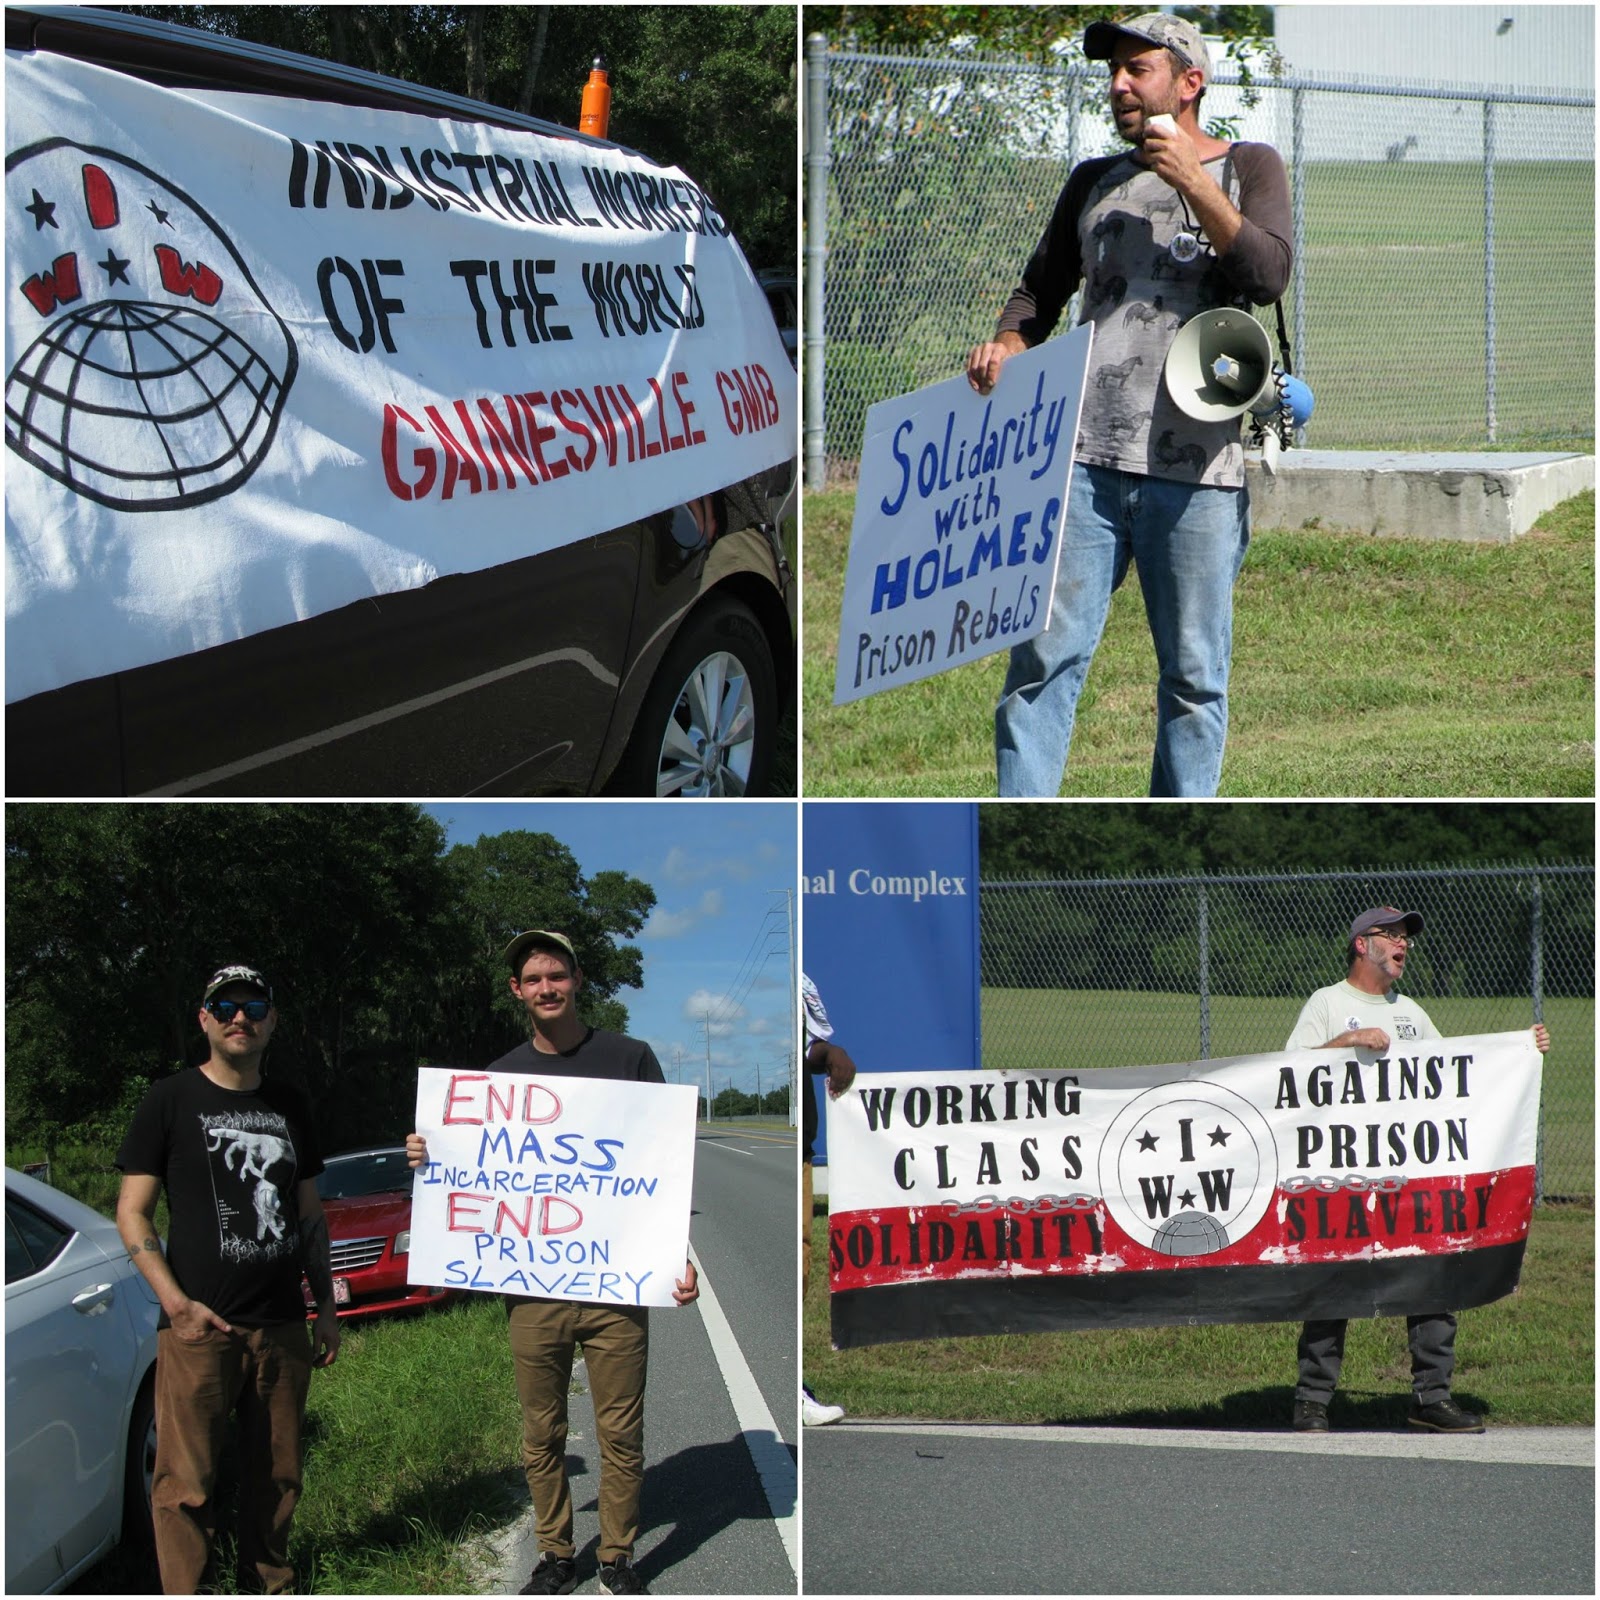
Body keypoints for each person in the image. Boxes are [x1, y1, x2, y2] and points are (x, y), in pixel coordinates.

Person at [966, 13, 1292, 799]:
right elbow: (1038, 291)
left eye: (1137, 68)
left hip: (1198, 473)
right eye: (1113, 70)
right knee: (1041, 663)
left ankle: (1174, 841)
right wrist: (1010, 342)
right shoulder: (1092, 180)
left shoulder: (1248, 166)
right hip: (1082, 466)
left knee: (1193, 678)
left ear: (1190, 82)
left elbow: (1268, 273)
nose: (1117, 84)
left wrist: (1191, 180)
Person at [405, 930, 698, 1598]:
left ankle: (618, 1554)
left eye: (556, 975)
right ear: (517, 990)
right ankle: (557, 1552)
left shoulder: (629, 1059)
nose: (546, 988)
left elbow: (662, 1174)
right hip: (531, 1291)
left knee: (620, 1429)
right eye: (533, 979)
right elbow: (467, 1173)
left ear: (577, 980)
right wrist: (429, 1156)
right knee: (542, 1432)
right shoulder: (496, 1080)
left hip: (616, 1286)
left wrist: (678, 1259)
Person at [115, 964, 340, 1595]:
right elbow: (132, 1212)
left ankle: (270, 1583)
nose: (241, 1015)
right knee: (185, 1485)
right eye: (226, 1004)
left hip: (283, 1326)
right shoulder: (169, 1099)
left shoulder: (290, 1103)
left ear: (272, 1020)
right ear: (205, 1019)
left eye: (255, 1004)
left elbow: (309, 1213)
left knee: (278, 1474)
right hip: (198, 1330)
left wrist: (323, 1304)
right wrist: (176, 1304)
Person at [1284, 906, 1551, 1435]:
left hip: (1410, 1176)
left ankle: (1431, 1398)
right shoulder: (1328, 1003)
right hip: (1346, 1175)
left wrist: (1520, 1049)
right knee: (1333, 1280)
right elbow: (1287, 1073)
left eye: (1406, 936)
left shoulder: (1411, 1011)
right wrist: (1347, 1043)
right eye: (1393, 935)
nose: (1404, 943)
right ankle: (1312, 1401)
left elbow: (1455, 1073)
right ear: (1363, 944)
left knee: (1432, 1276)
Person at [800, 972, 856, 1427]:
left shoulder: (798, 980)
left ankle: (793, 1386)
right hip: (791, 1147)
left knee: (798, 1264)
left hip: (800, 1151)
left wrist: (831, 1053)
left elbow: (810, 1049)